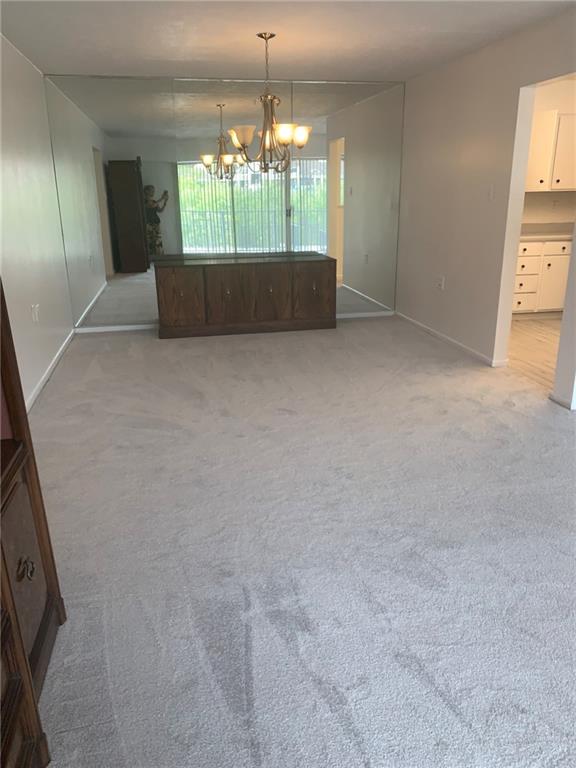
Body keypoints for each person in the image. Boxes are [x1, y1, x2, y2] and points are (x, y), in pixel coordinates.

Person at [143, 185, 169, 257]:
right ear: (146, 191)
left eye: (153, 190)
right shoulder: (143, 201)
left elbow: (160, 210)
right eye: (151, 190)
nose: (153, 192)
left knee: (158, 240)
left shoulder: (154, 201)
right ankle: (151, 257)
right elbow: (151, 205)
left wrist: (165, 202)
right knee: (150, 241)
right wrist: (162, 198)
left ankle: (159, 256)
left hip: (156, 223)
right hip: (148, 224)